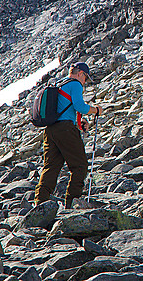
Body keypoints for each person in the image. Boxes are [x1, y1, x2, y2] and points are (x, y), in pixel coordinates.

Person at [34, 62, 103, 209]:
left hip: (51, 130)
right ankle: (72, 203)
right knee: (80, 166)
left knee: (51, 167)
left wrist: (79, 122)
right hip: (65, 130)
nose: (85, 82)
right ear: (80, 74)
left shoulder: (60, 84)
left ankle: (40, 204)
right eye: (85, 78)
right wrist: (95, 110)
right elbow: (80, 106)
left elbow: (64, 109)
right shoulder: (76, 84)